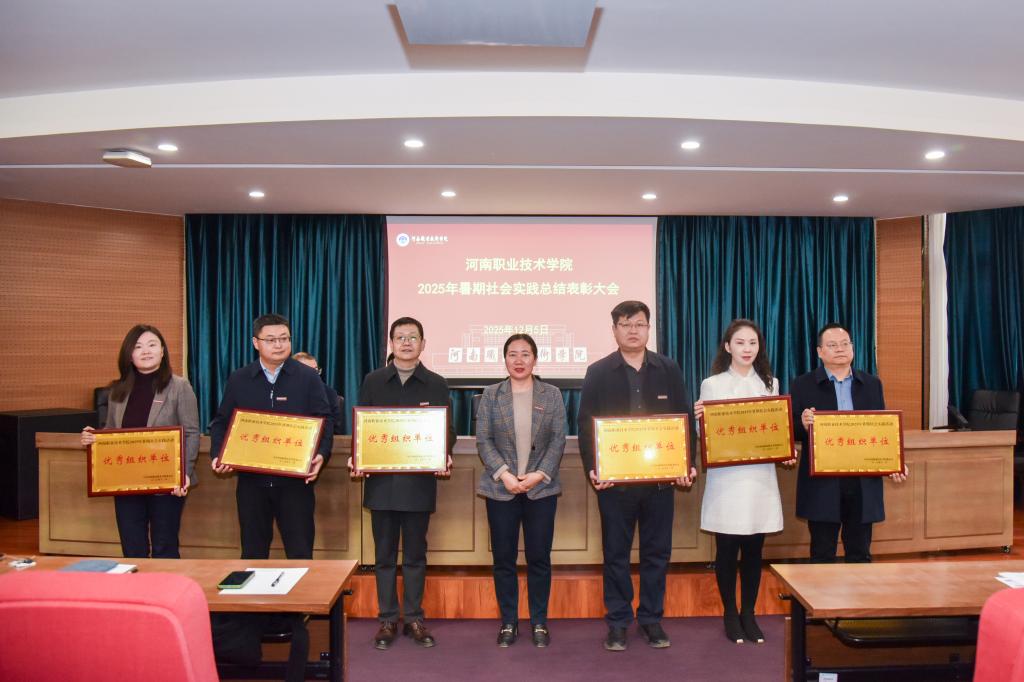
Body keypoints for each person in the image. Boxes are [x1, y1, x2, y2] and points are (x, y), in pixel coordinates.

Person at [578, 300, 697, 652]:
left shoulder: (668, 368)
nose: (633, 330)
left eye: (640, 324)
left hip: (659, 482)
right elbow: (586, 425)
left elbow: (682, 417)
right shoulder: (598, 372)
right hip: (615, 484)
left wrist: (686, 464)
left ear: (648, 329)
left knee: (656, 553)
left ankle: (651, 619)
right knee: (616, 554)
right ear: (614, 330)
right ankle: (617, 622)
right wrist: (593, 468)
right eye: (626, 324)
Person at [352, 317, 456, 650]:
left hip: (418, 485)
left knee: (414, 556)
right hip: (382, 485)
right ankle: (386, 620)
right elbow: (362, 428)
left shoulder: (436, 383)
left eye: (413, 337)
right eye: (400, 337)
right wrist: (358, 455)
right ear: (391, 343)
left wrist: (444, 453)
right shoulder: (373, 381)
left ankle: (413, 618)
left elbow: (447, 430)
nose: (407, 342)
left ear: (423, 344)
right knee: (383, 557)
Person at [693, 319, 795, 645]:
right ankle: (730, 613)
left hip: (759, 479)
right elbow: (705, 437)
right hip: (727, 480)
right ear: (727, 347)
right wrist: (700, 421)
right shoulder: (712, 385)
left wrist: (785, 449)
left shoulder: (770, 384)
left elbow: (776, 430)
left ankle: (749, 613)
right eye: (740, 342)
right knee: (727, 550)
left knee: (754, 550)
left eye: (752, 343)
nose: (747, 349)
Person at [209, 313, 333, 560]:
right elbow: (222, 421)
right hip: (252, 484)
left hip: (295, 484)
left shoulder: (308, 377)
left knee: (300, 553)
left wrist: (321, 453)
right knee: (253, 553)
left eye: (284, 338)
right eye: (271, 340)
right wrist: (218, 455)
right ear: (256, 343)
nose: (279, 345)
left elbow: (324, 419)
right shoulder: (240, 379)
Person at [475, 333, 567, 648]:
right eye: (512, 354)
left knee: (539, 558)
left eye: (525, 354)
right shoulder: (491, 394)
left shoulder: (552, 394)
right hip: (501, 489)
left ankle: (539, 622)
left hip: (541, 490)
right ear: (504, 359)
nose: (518, 360)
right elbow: (484, 439)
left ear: (535, 359)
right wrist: (505, 474)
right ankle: (509, 622)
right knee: (504, 559)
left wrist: (539, 474)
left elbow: (558, 439)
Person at [791, 323, 908, 564]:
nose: (840, 349)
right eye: (832, 345)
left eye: (845, 344)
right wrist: (802, 423)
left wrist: (895, 463)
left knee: (860, 554)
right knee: (822, 554)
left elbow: (882, 430)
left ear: (853, 349)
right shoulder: (803, 384)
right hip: (822, 484)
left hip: (862, 482)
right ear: (819, 351)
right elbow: (789, 431)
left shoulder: (872, 384)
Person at [80, 324, 200, 559]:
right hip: (127, 481)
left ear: (162, 351)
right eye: (138, 346)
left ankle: (165, 585)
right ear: (129, 354)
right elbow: (111, 432)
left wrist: (184, 473)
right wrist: (93, 437)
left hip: (167, 482)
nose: (146, 351)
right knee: (132, 545)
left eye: (152, 345)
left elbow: (191, 432)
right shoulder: (117, 390)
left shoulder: (179, 387)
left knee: (165, 546)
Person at [293, 352, 343, 436]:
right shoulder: (283, 389)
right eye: (309, 371)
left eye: (316, 370)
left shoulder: (329, 394)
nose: (315, 375)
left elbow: (335, 429)